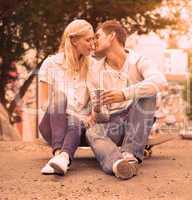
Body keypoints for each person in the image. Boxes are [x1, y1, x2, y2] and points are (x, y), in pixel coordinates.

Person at [86, 20, 167, 180]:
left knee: (148, 93)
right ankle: (119, 164)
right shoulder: (95, 70)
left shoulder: (139, 61)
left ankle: (130, 153)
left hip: (137, 121)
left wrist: (125, 94)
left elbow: (160, 81)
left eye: (98, 36)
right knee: (92, 131)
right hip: (114, 125)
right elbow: (100, 115)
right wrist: (96, 111)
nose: (94, 41)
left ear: (111, 36)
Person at [38, 19, 95, 175]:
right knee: (60, 98)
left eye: (93, 39)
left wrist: (91, 115)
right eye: (88, 39)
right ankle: (59, 152)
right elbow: (44, 103)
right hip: (52, 124)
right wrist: (67, 112)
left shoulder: (94, 67)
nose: (92, 44)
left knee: (74, 121)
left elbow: (97, 102)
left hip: (78, 128)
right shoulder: (50, 63)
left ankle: (61, 157)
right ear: (74, 40)